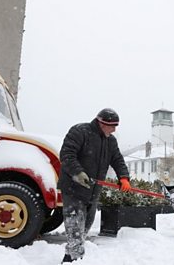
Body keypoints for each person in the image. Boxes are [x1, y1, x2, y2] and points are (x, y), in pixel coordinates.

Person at [58, 108, 131, 263]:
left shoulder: (110, 140)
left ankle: (71, 257)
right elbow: (66, 155)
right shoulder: (80, 132)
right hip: (74, 188)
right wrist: (78, 173)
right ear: (101, 123)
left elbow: (117, 159)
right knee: (75, 226)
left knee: (84, 227)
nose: (114, 129)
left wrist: (123, 177)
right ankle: (73, 259)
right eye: (112, 126)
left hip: (93, 191)